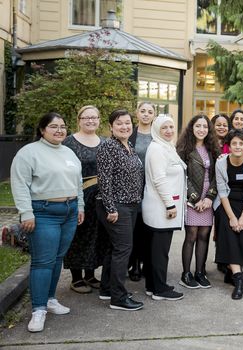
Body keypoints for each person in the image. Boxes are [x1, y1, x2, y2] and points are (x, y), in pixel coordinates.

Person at [11, 112, 84, 332]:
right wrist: (26, 213)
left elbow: (78, 182)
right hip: (43, 213)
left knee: (57, 258)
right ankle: (39, 309)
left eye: (62, 126)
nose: (59, 130)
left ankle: (50, 299)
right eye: (53, 126)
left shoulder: (69, 152)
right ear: (42, 129)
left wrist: (80, 206)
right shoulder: (29, 152)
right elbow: (20, 183)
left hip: (70, 212)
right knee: (43, 261)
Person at [96, 109, 145, 311]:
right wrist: (111, 208)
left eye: (127, 123)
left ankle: (107, 289)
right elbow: (104, 181)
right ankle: (118, 297)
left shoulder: (129, 145)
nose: (124, 126)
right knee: (124, 249)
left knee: (114, 248)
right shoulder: (108, 147)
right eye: (119, 123)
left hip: (130, 205)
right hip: (116, 206)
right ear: (111, 127)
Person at [141, 115, 186, 301]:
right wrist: (170, 204)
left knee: (155, 251)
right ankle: (160, 289)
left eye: (171, 127)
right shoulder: (157, 149)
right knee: (160, 252)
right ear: (157, 130)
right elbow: (159, 180)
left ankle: (153, 286)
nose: (168, 131)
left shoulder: (166, 147)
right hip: (162, 209)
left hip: (161, 208)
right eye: (164, 128)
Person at [62, 106, 106, 294]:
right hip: (78, 195)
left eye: (94, 117)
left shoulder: (104, 142)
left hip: (100, 196)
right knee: (78, 235)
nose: (90, 121)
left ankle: (90, 274)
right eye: (86, 117)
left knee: (96, 234)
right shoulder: (68, 143)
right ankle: (76, 278)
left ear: (99, 120)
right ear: (79, 120)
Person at [176, 114, 220, 289]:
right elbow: (183, 177)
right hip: (191, 198)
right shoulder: (183, 149)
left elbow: (218, 176)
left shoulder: (214, 149)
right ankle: (186, 274)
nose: (201, 129)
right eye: (198, 126)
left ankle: (200, 272)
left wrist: (209, 198)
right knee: (192, 235)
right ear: (191, 128)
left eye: (205, 126)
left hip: (208, 199)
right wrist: (195, 199)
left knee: (204, 236)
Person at [214, 129, 243, 299]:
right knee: (230, 231)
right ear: (229, 146)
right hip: (225, 204)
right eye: (234, 143)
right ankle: (239, 280)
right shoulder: (221, 163)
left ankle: (230, 273)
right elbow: (222, 191)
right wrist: (232, 217)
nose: (238, 146)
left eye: (241, 143)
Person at [128, 102, 156, 281]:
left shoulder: (158, 134)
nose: (146, 114)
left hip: (152, 186)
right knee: (135, 226)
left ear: (154, 115)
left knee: (150, 227)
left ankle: (147, 262)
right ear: (137, 113)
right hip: (132, 186)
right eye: (143, 111)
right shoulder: (130, 134)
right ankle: (134, 263)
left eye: (150, 112)